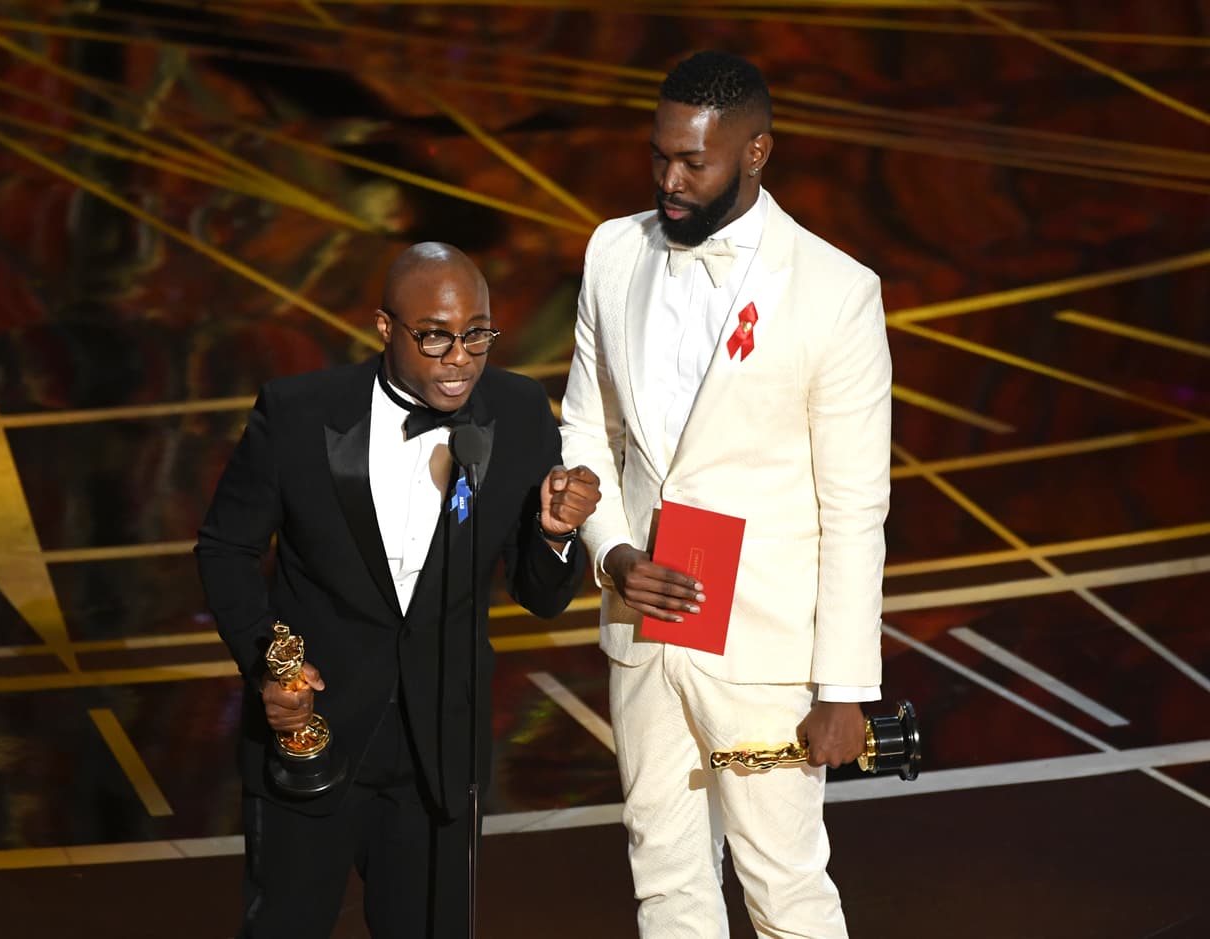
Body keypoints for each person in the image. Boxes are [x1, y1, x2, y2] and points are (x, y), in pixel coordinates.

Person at [559, 51, 891, 938]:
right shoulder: (612, 252)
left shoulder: (837, 293)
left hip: (765, 648)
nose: (669, 179)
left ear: (755, 154)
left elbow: (856, 504)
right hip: (645, 618)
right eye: (659, 155)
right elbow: (588, 432)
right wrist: (615, 552)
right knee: (663, 876)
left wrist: (846, 687)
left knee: (783, 885)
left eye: (693, 162)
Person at [196, 241, 601, 939]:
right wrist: (270, 660)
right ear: (386, 328)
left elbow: (541, 593)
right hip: (311, 738)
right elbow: (225, 548)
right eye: (436, 337)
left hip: (439, 754)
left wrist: (557, 533)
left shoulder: (518, 409)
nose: (461, 359)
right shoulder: (296, 413)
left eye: (477, 334)